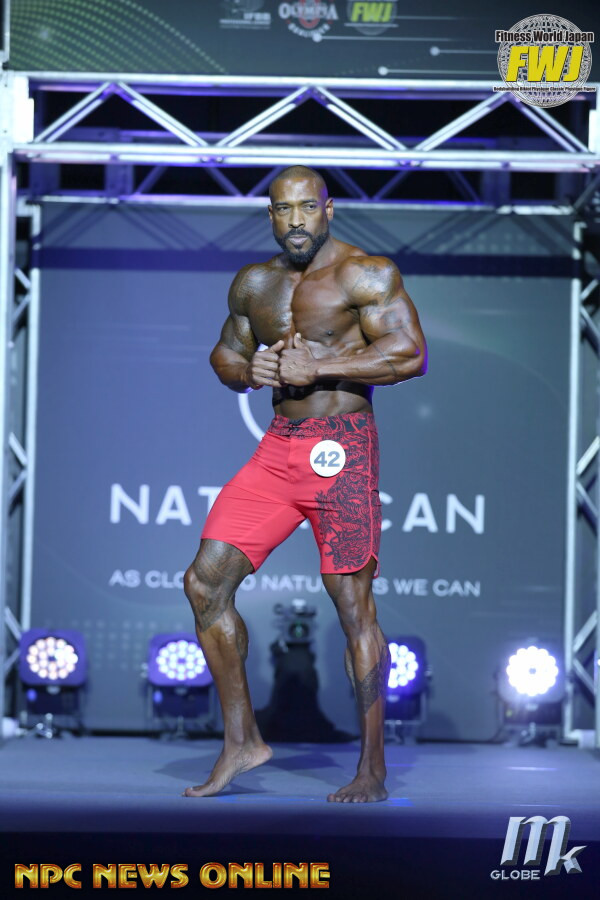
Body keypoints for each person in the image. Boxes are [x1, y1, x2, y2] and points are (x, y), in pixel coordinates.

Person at [183, 166, 427, 803]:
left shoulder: (365, 274)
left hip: (343, 448)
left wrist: (321, 365)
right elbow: (225, 352)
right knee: (205, 583)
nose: (296, 221)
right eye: (283, 209)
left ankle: (372, 768)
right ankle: (242, 740)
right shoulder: (254, 283)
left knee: (353, 608)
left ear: (328, 209)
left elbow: (409, 354)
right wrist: (251, 370)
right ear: (270, 214)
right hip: (278, 449)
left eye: (307, 208)